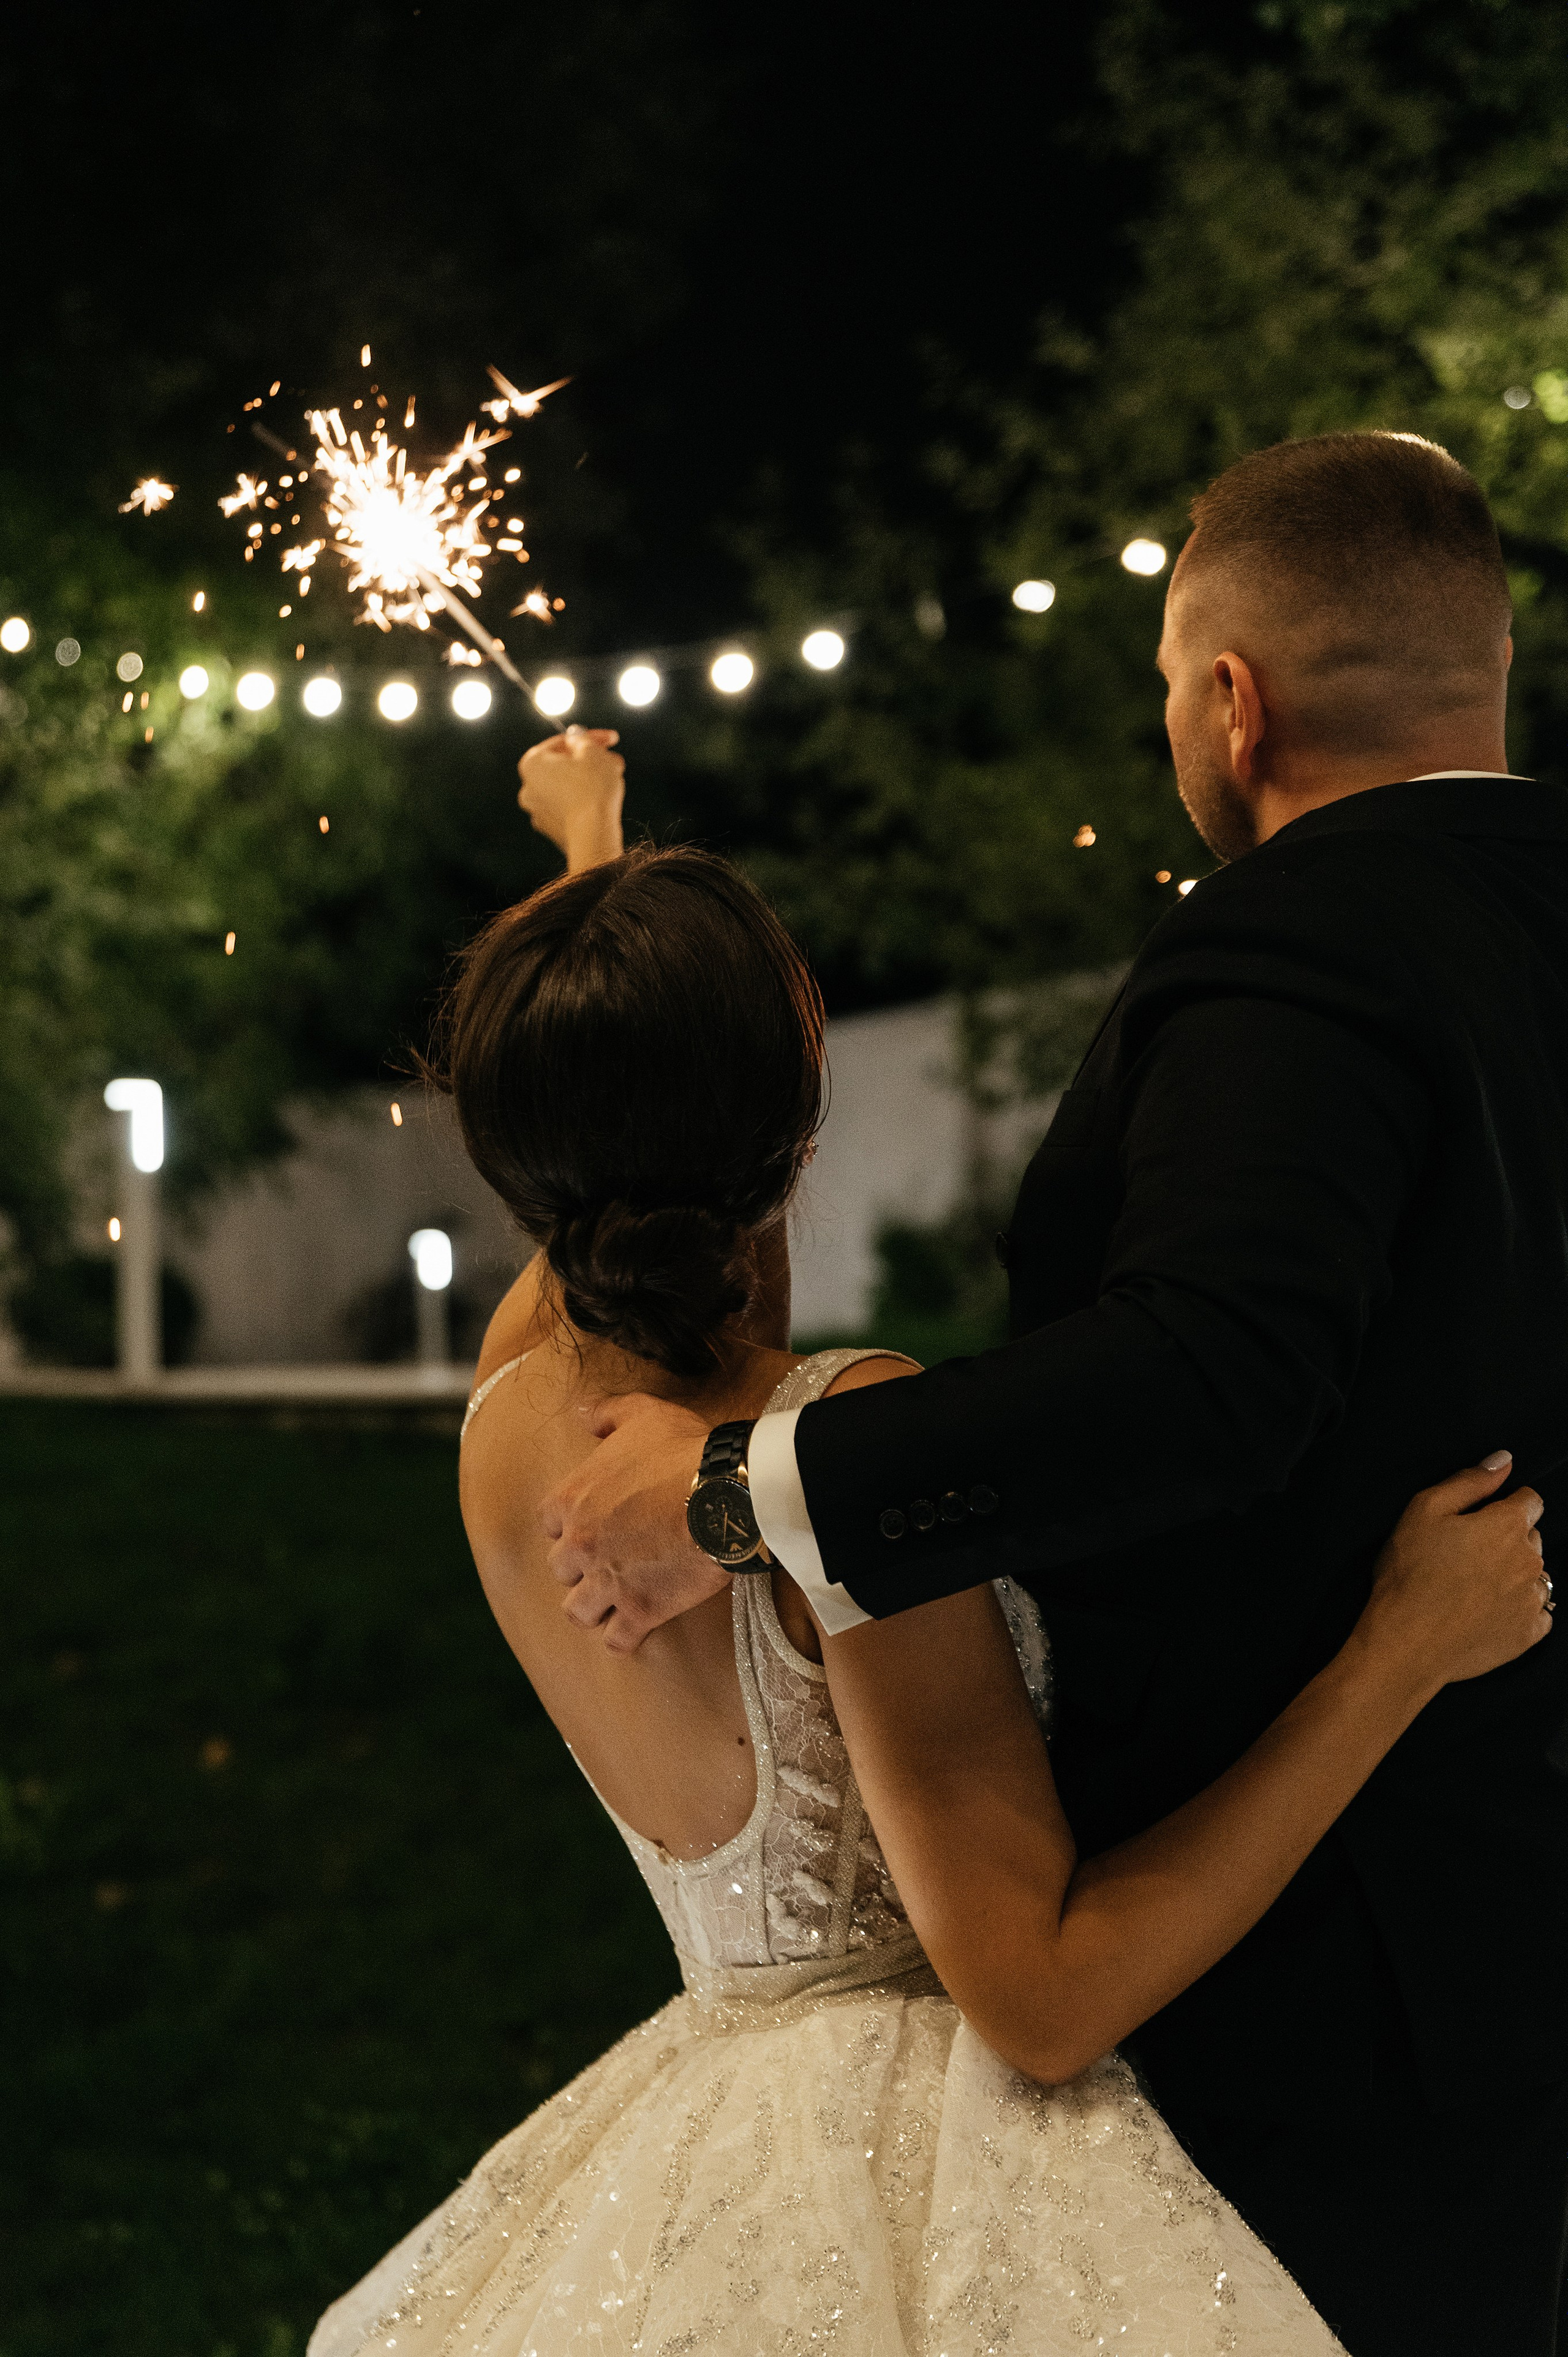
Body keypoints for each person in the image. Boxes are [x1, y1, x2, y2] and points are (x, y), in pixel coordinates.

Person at [307, 739, 1548, 2355]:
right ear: (800, 1116)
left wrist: (592, 868)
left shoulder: (509, 1426)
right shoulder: (838, 1445)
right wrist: (1393, 1659)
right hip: (914, 2180)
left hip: (689, 2144)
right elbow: (1039, 2001)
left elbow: (577, 1158)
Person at [539, 431, 1568, 2356]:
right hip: (1509, 1940)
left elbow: (1215, 1375)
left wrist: (741, 1492)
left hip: (1313, 1986)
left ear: (1232, 702)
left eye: (1170, 685)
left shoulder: (1298, 935)